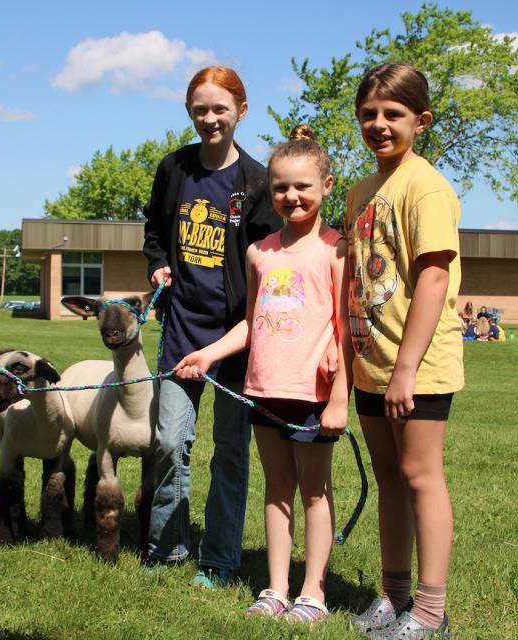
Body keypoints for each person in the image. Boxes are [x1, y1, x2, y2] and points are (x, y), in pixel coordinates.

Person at [174, 125, 351, 623]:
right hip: (262, 390)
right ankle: (275, 589)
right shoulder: (259, 253)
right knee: (276, 491)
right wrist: (207, 355)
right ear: (267, 190)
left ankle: (312, 593)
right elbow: (251, 323)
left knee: (315, 492)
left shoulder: (337, 251)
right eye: (280, 188)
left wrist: (339, 398)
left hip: (312, 395)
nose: (291, 196)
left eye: (303, 187)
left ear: (327, 187)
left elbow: (344, 330)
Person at [142, 66, 284, 588]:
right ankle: (167, 546)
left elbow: (272, 259)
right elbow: (155, 229)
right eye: (201, 109)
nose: (210, 119)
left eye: (220, 109)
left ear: (241, 112)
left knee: (229, 450)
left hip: (238, 341)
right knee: (167, 440)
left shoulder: (256, 182)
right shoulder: (174, 167)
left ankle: (219, 558)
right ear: (189, 112)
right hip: (181, 331)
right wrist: (158, 262)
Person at [346, 62, 463, 639]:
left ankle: (431, 611)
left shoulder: (427, 186)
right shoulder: (360, 192)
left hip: (417, 368)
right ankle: (393, 597)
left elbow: (434, 281)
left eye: (393, 114)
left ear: (422, 120)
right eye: (369, 114)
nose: (379, 124)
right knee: (389, 478)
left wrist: (407, 370)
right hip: (371, 363)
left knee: (420, 476)